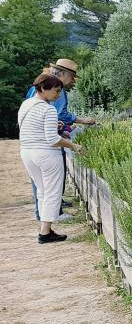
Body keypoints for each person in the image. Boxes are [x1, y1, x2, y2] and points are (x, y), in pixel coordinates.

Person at [25, 59, 95, 221]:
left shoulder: (36, 87)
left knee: (39, 181)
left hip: (31, 142)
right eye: (71, 78)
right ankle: (52, 213)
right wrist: (80, 123)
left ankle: (43, 213)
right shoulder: (57, 89)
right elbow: (60, 115)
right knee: (51, 179)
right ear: (63, 74)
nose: (71, 83)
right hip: (47, 144)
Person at [18, 73, 84, 244]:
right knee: (53, 192)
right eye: (55, 91)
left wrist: (54, 125)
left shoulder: (26, 105)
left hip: (27, 152)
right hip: (46, 154)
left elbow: (28, 126)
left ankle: (44, 229)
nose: (58, 95)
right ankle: (45, 233)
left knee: (42, 191)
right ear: (43, 89)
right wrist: (74, 146)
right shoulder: (48, 109)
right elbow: (53, 140)